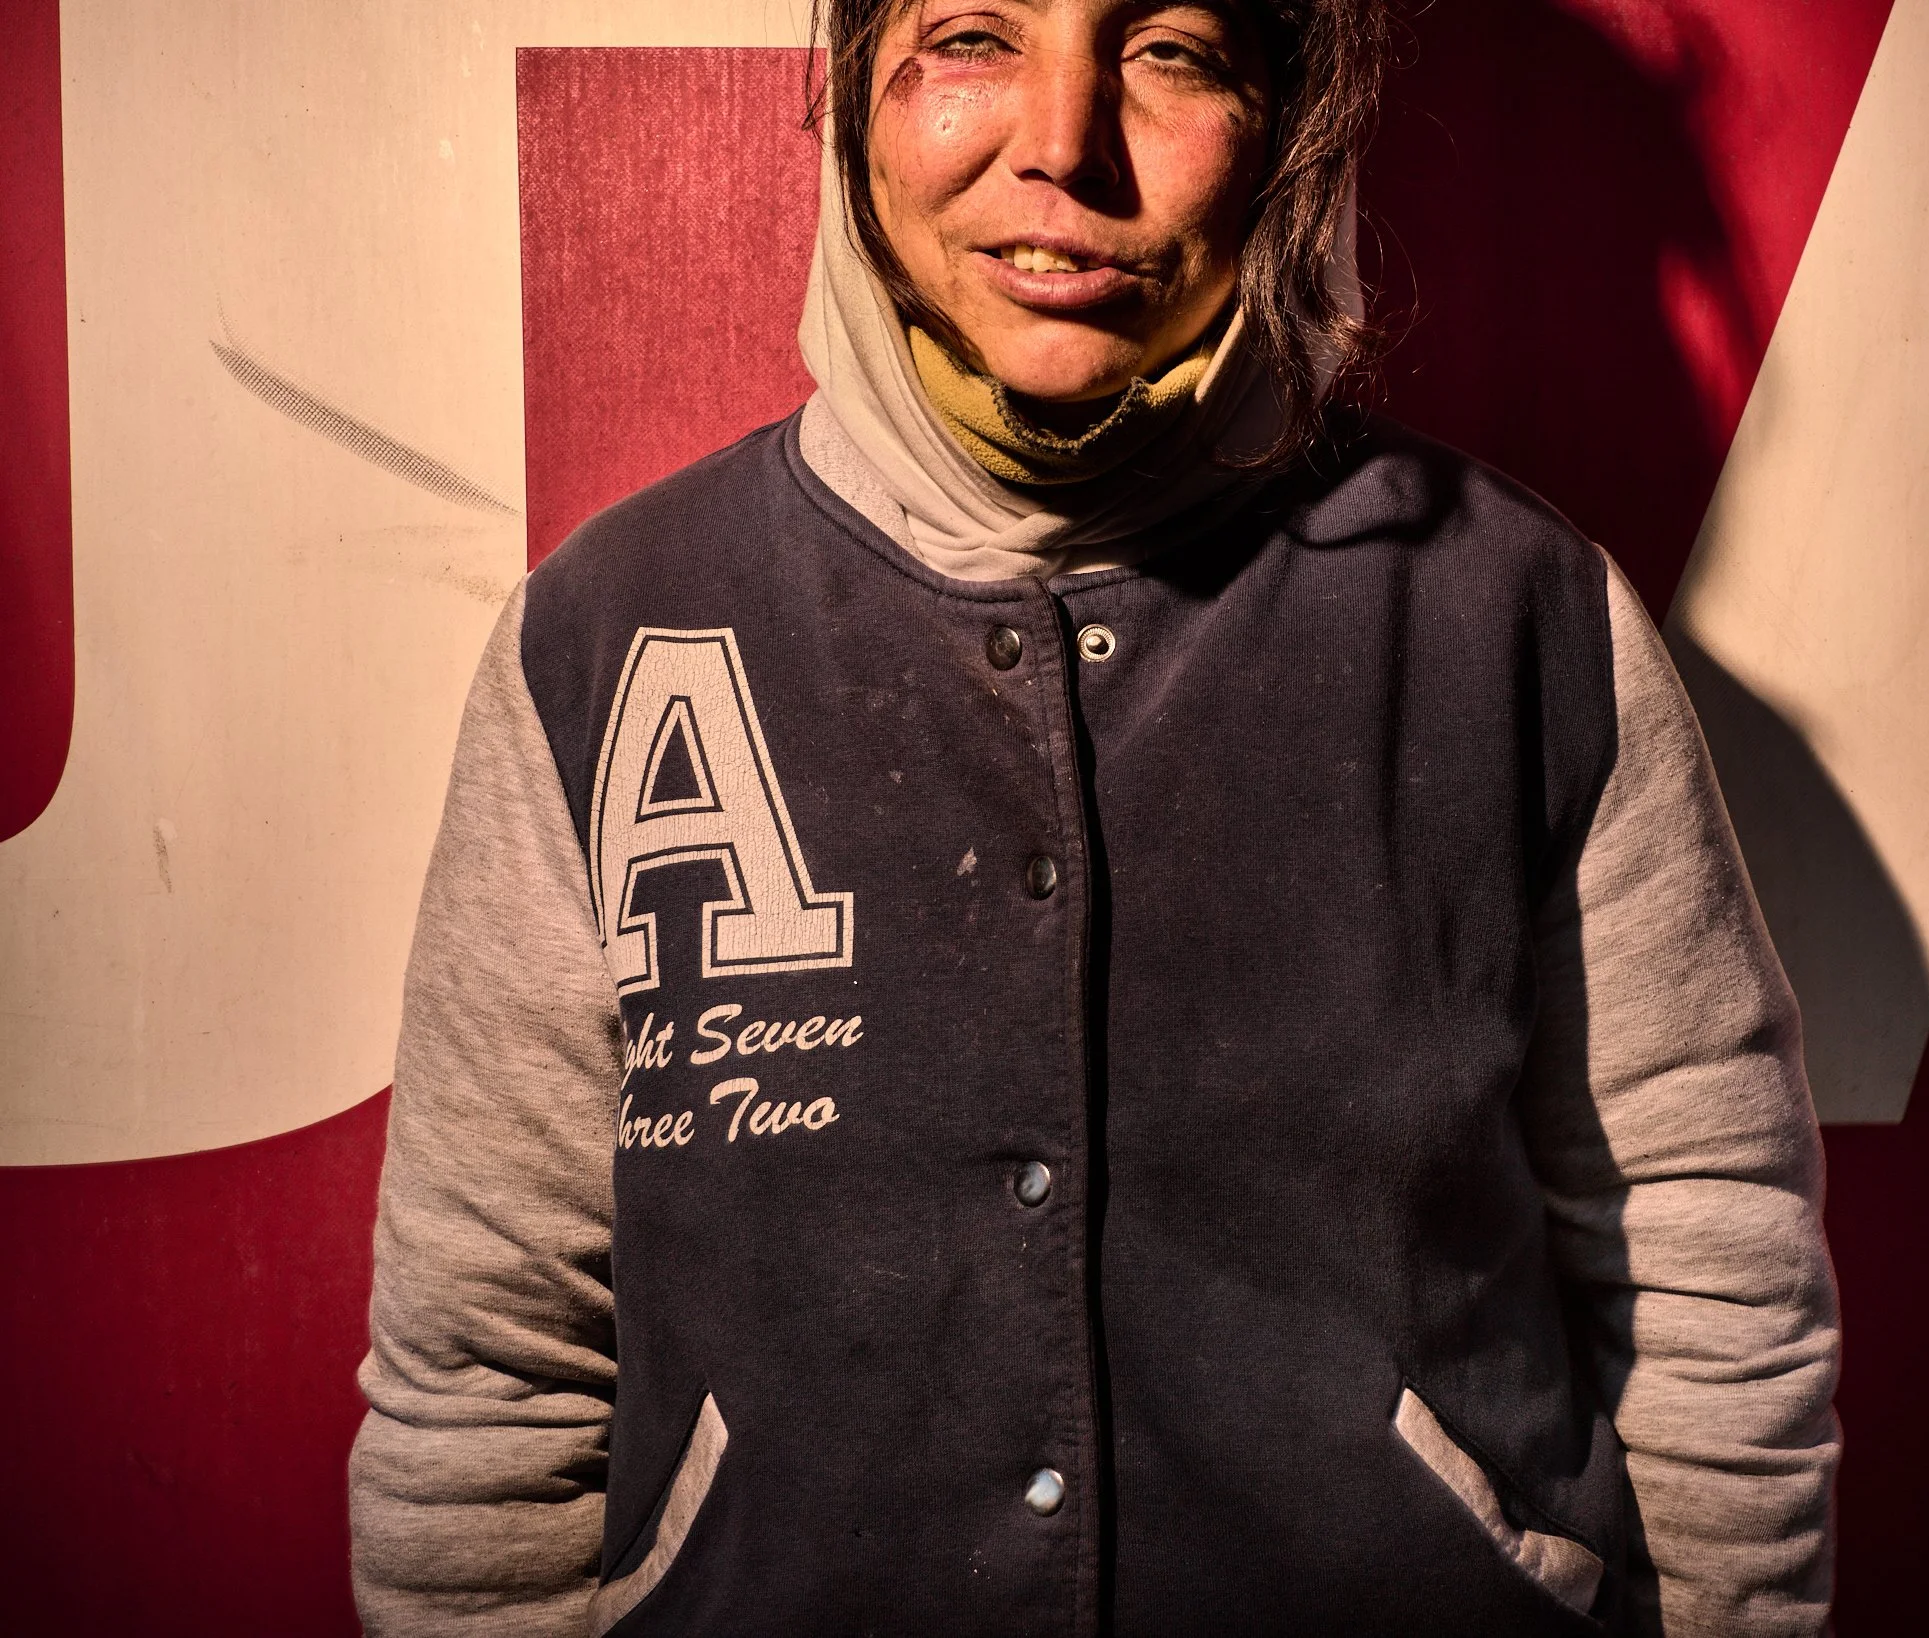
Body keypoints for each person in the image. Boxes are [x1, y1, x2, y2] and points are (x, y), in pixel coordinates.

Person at [349, 2, 1840, 1633]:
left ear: (1290, 120)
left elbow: (1712, 1277)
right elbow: (487, 1368)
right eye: (976, 35)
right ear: (852, 91)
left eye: (1171, 51)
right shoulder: (604, 636)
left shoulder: (1521, 622)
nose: (1063, 139)